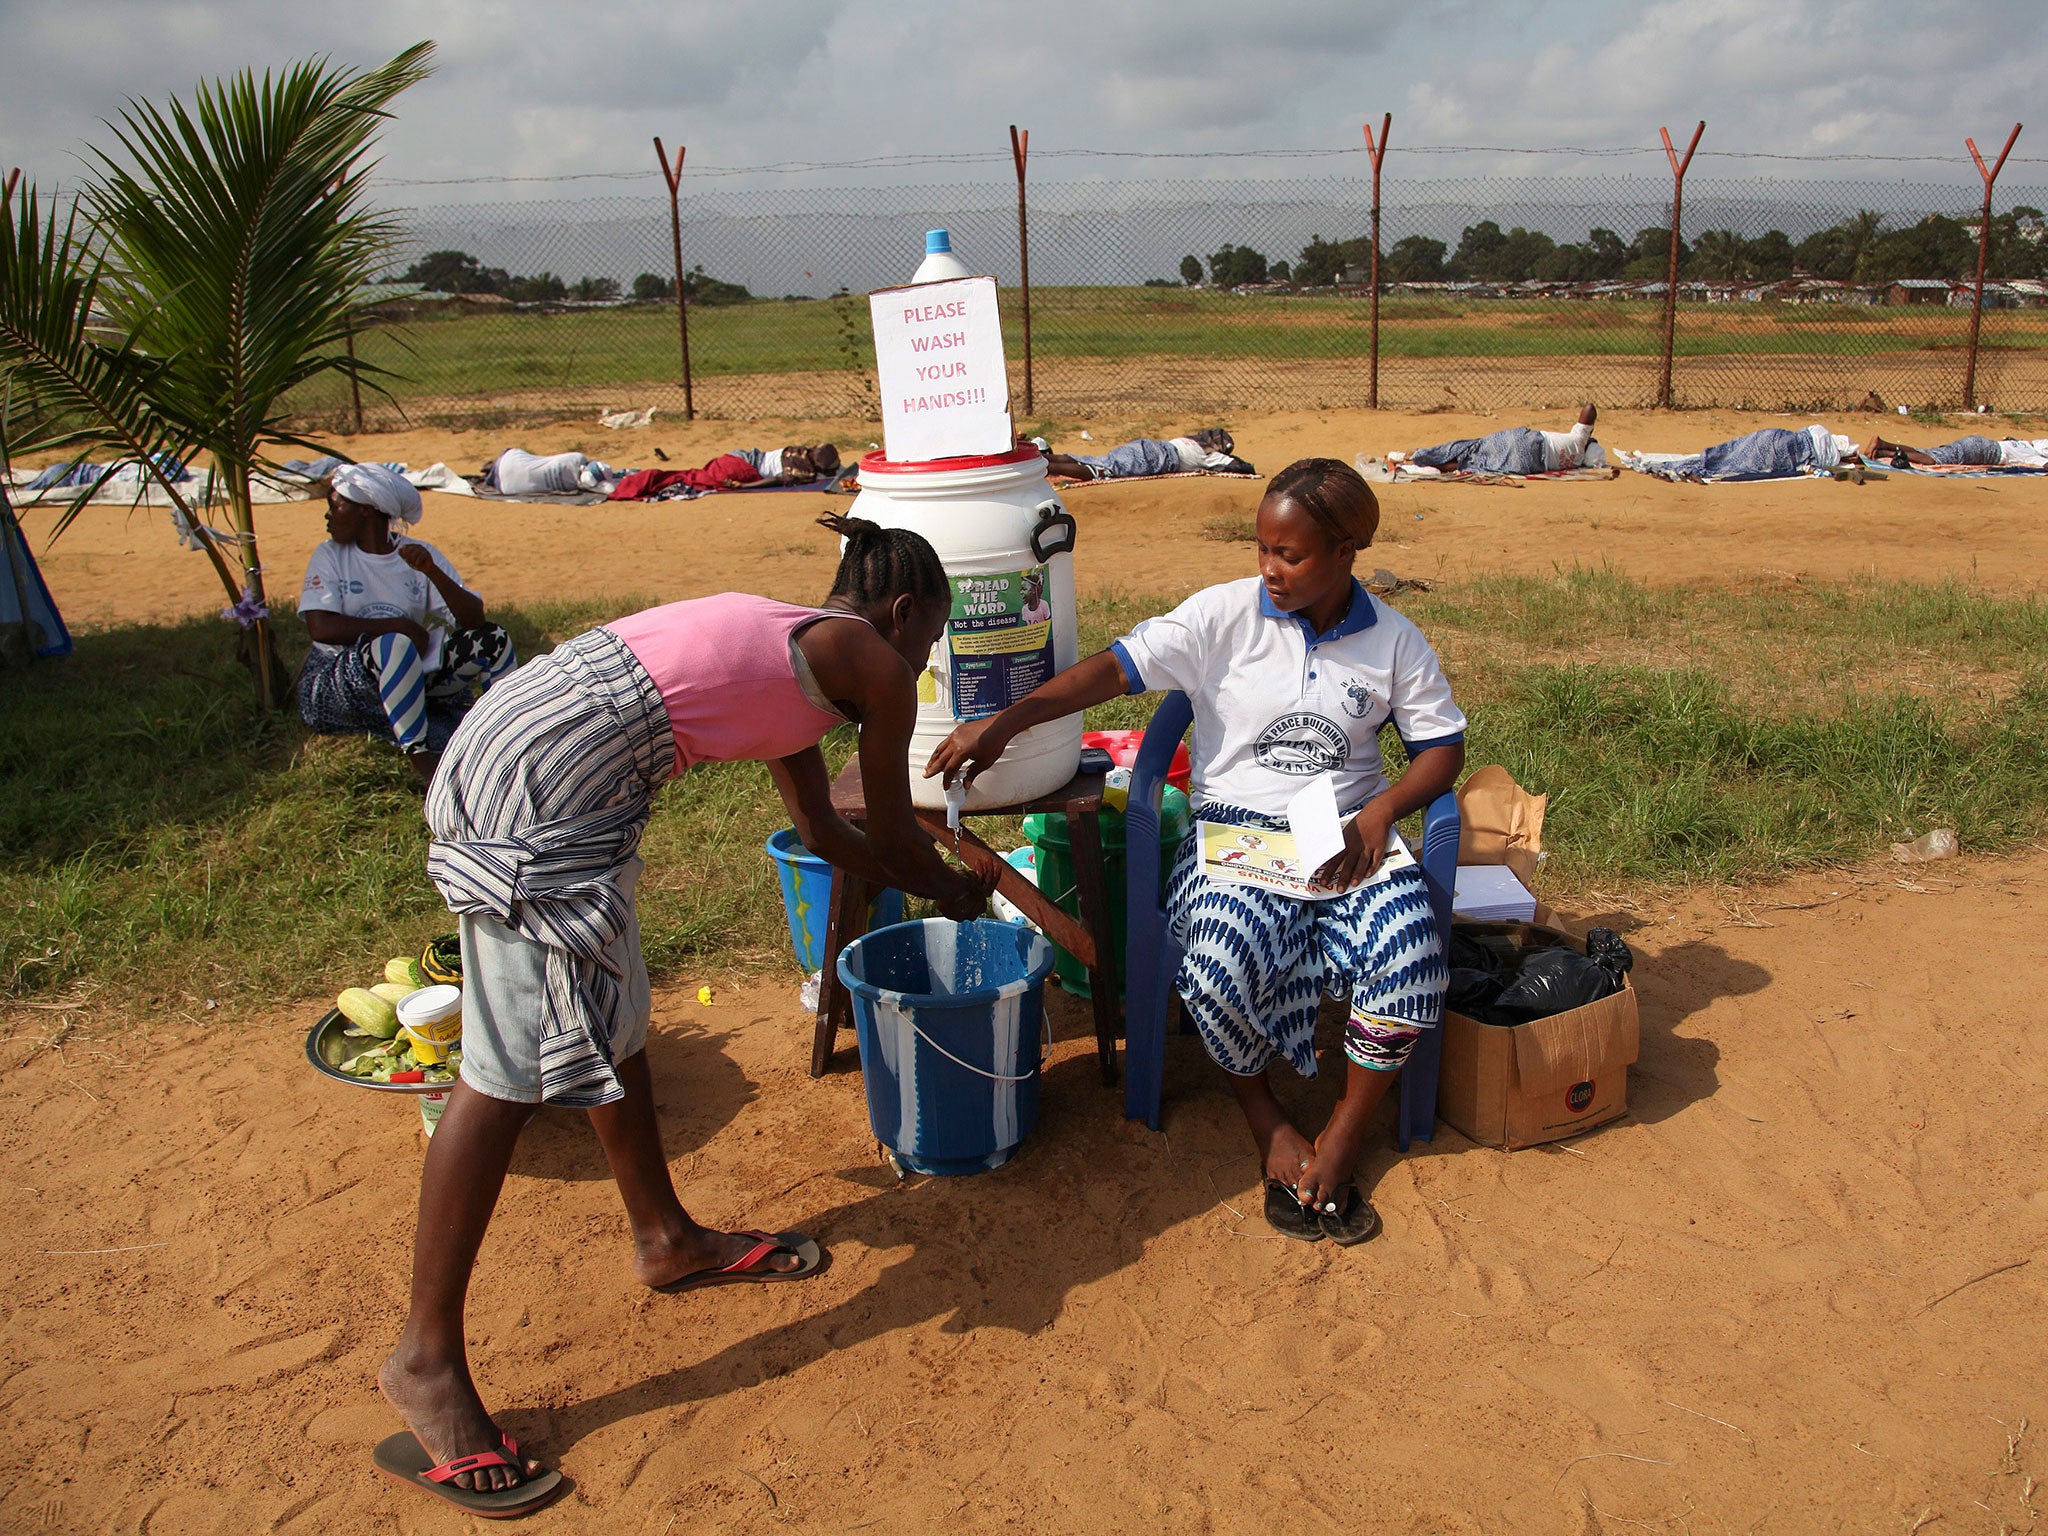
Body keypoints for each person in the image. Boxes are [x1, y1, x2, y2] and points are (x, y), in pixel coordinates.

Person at [374, 515, 990, 1517]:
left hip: (556, 773)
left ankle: (664, 1237)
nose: (916, 670)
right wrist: (950, 889)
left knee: (612, 1016)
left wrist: (925, 884)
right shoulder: (866, 658)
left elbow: (824, 831)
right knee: (504, 1073)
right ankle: (426, 1361)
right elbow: (885, 820)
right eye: (925, 647)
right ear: (903, 614)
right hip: (536, 793)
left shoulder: (804, 654)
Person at [928, 459, 1464, 1249]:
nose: (1269, 570)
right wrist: (1002, 723)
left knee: (1410, 945)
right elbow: (1111, 670)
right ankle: (1265, 1117)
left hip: (1345, 830)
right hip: (1237, 834)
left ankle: (1348, 1132)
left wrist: (1383, 810)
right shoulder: (1222, 619)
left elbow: (1441, 748)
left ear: (1350, 549)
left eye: (1292, 555)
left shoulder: (1393, 640)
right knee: (1217, 959)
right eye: (1261, 549)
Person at [298, 464, 516, 781]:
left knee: (493, 638)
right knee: (394, 644)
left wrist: (432, 572)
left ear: (366, 511)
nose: (327, 516)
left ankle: (511, 728)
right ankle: (421, 757)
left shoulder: (419, 554)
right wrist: (399, 626)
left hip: (407, 673)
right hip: (339, 681)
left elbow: (473, 620)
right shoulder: (329, 555)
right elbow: (320, 627)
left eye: (335, 506)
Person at [1398, 404, 1605, 475]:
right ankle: (1441, 466)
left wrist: (1588, 430)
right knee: (1477, 461)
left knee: (1470, 447)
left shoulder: (1579, 441)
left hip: (1527, 441)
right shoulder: (1576, 462)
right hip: (1527, 464)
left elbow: (1589, 408)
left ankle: (1419, 455)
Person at [1627, 423, 1861, 482]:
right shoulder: (1827, 452)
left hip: (1772, 436)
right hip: (1781, 450)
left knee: (1731, 451)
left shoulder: (1817, 433)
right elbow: (1839, 460)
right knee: (1735, 464)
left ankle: (1696, 463)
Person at [608, 443, 844, 501]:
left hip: (738, 456)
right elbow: (773, 480)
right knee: (691, 478)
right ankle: (638, 482)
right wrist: (744, 487)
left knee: (689, 474)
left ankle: (637, 479)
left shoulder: (799, 451)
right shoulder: (801, 473)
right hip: (741, 470)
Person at [1040, 427, 1254, 482]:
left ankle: (1040, 459)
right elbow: (1243, 468)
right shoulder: (1209, 454)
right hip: (1158, 457)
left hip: (1147, 447)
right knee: (1102, 470)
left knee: (1097, 461)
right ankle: (1044, 466)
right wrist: (1230, 458)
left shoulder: (1189, 441)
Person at [1860, 431, 2048, 469]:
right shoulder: (2035, 456)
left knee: (1929, 452)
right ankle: (1884, 446)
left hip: (1979, 443)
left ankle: (1884, 450)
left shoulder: (2030, 444)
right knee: (1933, 460)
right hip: (1982, 451)